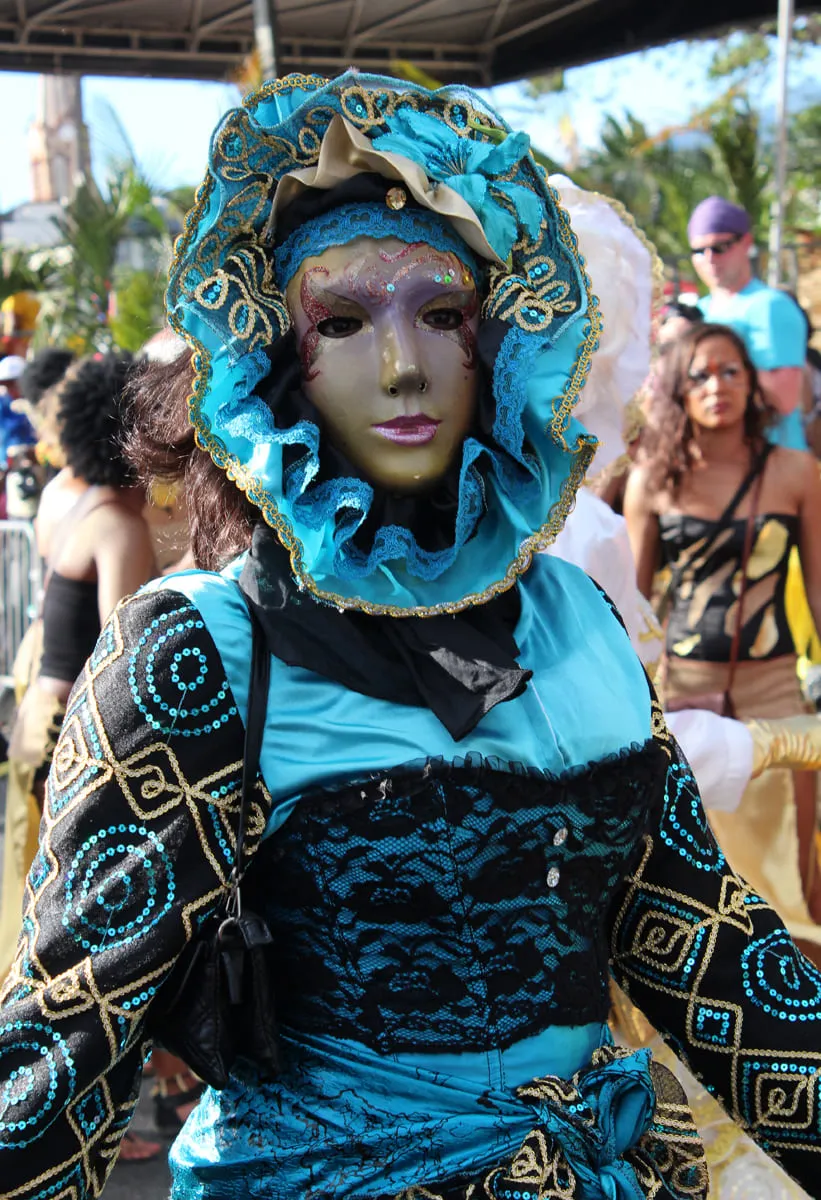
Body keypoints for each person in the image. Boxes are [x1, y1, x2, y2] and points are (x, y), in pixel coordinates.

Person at [4, 72, 821, 1200]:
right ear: (272, 364)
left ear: (500, 347)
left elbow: (718, 963)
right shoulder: (198, 652)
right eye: (340, 322)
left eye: (441, 314)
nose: (402, 366)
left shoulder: (573, 621)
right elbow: (59, 1064)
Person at [0, 352, 162, 1161]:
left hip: (40, 715)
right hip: (70, 728)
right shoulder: (120, 524)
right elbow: (122, 657)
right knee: (92, 925)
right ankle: (102, 1116)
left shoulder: (78, 502)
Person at [624, 321, 821, 970]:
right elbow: (632, 604)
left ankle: (797, 1015)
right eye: (701, 374)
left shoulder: (796, 473)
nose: (718, 386)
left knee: (786, 868)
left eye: (731, 370)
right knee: (698, 868)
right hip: (683, 691)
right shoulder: (650, 478)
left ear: (751, 383)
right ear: (677, 389)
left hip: (774, 689)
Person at [688, 195, 808, 450]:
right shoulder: (698, 310)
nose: (709, 258)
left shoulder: (770, 306)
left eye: (720, 247)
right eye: (698, 250)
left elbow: (784, 399)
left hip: (771, 467)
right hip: (717, 465)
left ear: (746, 243)